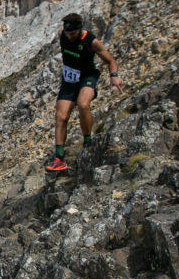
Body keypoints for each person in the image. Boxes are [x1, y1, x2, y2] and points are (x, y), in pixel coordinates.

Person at [45, 13, 124, 172]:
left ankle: (87, 141)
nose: (69, 36)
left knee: (82, 104)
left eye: (73, 33)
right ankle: (59, 157)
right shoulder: (63, 35)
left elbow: (110, 61)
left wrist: (114, 76)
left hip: (87, 76)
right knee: (61, 116)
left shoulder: (92, 41)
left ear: (80, 30)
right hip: (69, 80)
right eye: (67, 33)